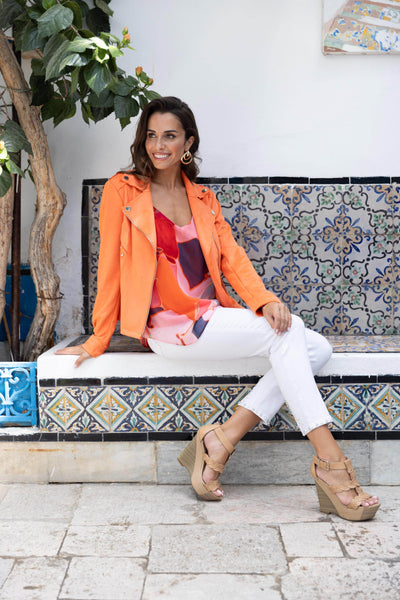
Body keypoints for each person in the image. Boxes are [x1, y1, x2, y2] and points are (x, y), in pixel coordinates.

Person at [57, 96, 380, 521]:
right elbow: (109, 268)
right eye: (151, 136)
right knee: (288, 335)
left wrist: (264, 300)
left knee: (316, 348)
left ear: (188, 142)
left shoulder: (203, 198)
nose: (159, 146)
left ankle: (222, 439)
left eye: (169, 136)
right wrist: (98, 339)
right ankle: (330, 462)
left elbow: (232, 259)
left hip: (208, 316)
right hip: (167, 326)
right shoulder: (124, 190)